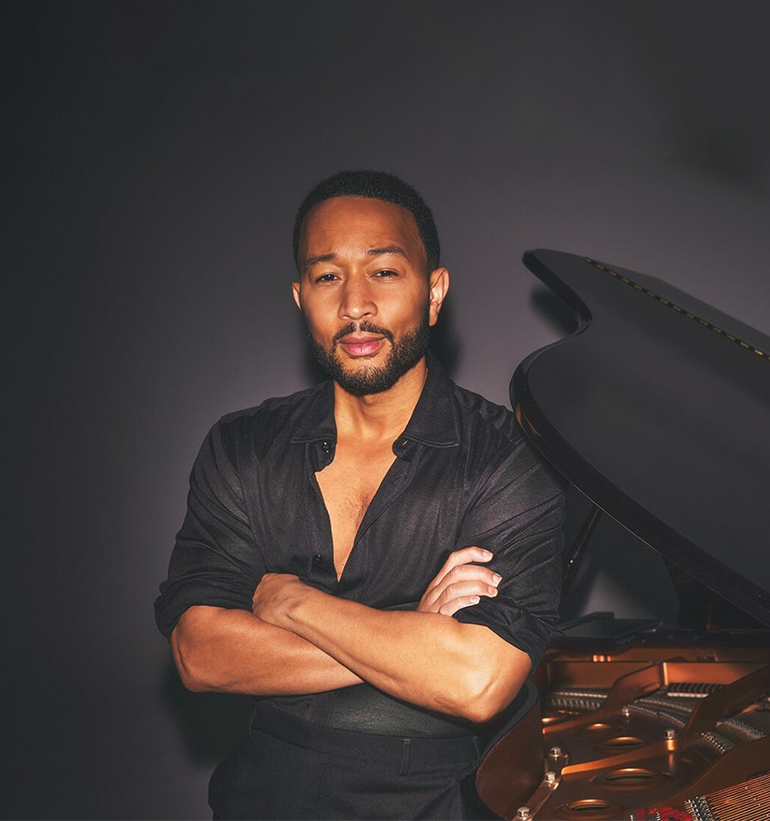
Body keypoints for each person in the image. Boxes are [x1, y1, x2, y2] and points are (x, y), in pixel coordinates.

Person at [154, 169, 568, 820]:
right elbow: (200, 652)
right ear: (300, 298)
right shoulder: (243, 447)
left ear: (433, 292)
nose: (354, 305)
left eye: (383, 272)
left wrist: (290, 601)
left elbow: (476, 680)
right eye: (327, 276)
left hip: (430, 801)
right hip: (262, 795)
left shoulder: (506, 459)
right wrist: (414, 634)